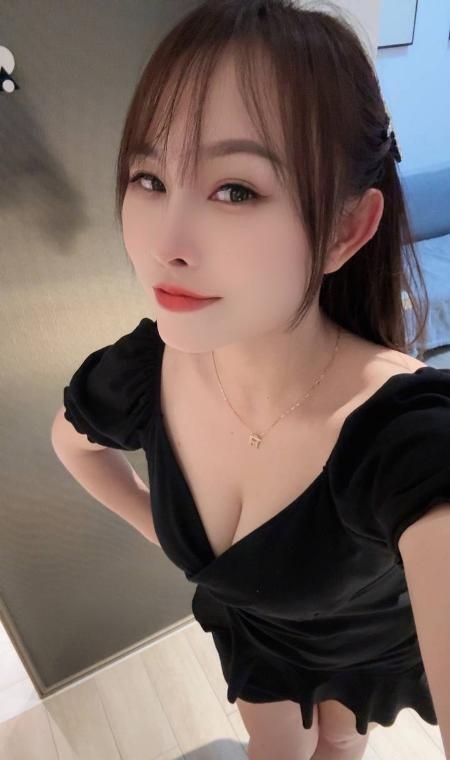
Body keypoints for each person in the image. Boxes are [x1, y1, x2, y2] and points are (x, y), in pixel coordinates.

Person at [58, 2, 450, 759]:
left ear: (345, 230)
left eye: (235, 189)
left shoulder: (405, 435)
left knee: (341, 745)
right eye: (149, 177)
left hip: (367, 638)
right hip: (256, 637)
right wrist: (169, 538)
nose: (165, 244)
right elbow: (73, 446)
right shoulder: (143, 371)